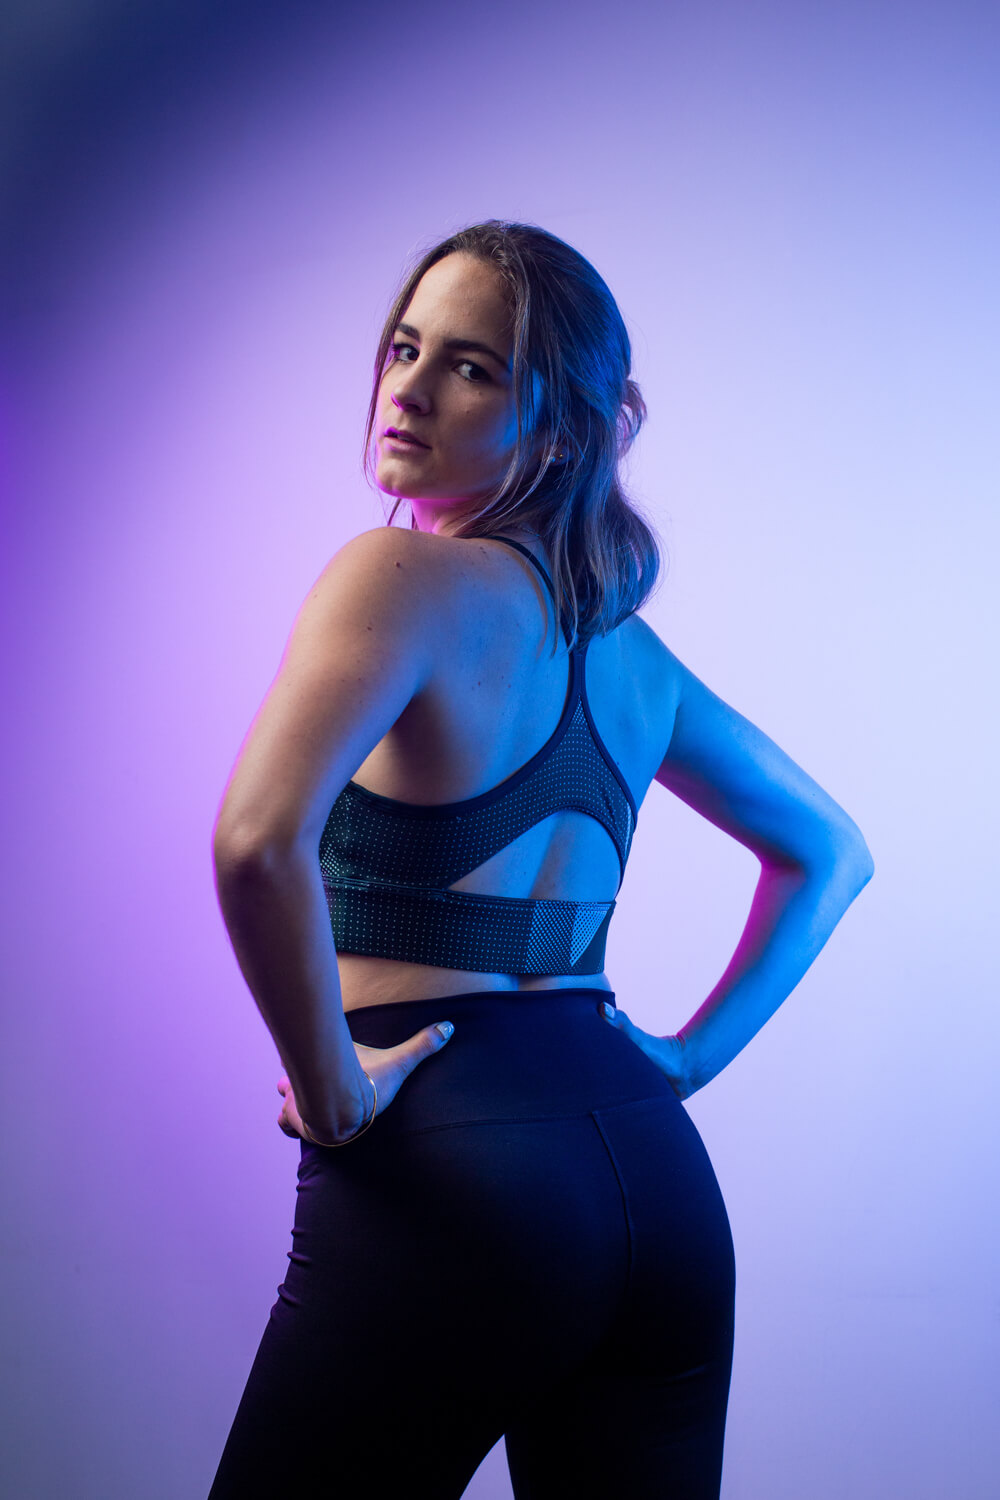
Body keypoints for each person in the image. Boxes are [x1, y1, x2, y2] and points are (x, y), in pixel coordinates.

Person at [207, 220, 873, 1500]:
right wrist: (683, 1063)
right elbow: (829, 851)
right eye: (405, 348)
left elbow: (255, 841)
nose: (408, 388)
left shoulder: (396, 575)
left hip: (453, 1176)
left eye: (471, 367)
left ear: (562, 430)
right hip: (655, 1187)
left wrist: (333, 1095)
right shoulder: (632, 659)